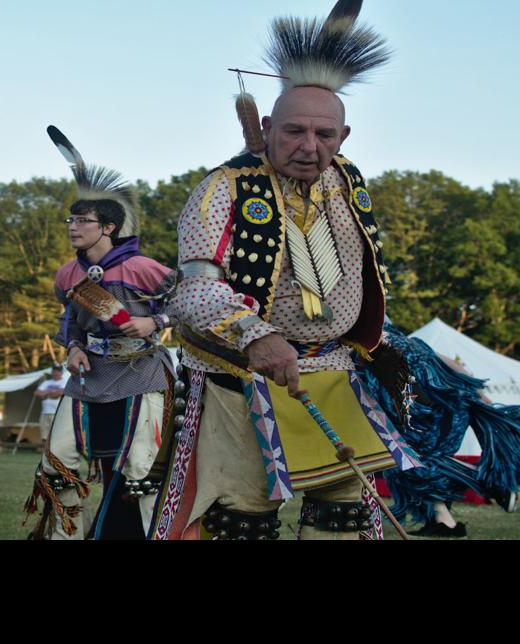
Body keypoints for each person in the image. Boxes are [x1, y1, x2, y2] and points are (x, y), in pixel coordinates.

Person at [156, 0, 422, 541]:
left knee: (344, 512)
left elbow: (359, 270)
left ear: (343, 138)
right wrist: (256, 335)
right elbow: (192, 291)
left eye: (325, 135)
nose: (309, 146)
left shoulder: (347, 179)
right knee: (241, 517)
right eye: (295, 131)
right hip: (241, 378)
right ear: (268, 126)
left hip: (334, 373)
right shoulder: (224, 187)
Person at [24, 127, 177, 540]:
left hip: (140, 373)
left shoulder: (143, 268)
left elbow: (189, 302)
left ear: (107, 227)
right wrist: (72, 346)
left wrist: (155, 322)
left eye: (83, 220)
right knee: (57, 466)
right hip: (89, 377)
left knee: (141, 474)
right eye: (70, 219)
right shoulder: (68, 274)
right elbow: (68, 319)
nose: (73, 227)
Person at [357, 322, 520, 537]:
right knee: (409, 466)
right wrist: (480, 397)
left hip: (431, 416)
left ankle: (490, 484)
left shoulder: (374, 349)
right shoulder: (413, 344)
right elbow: (455, 368)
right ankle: (444, 523)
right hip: (450, 410)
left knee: (409, 462)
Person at [35, 363, 67, 454]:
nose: (55, 373)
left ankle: (56, 452)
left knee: (56, 433)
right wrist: (51, 393)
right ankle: (46, 452)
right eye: (54, 371)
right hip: (45, 412)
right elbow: (37, 393)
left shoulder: (65, 382)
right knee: (44, 434)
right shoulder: (47, 382)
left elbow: (61, 392)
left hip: (57, 412)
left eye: (57, 371)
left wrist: (46, 393)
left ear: (61, 372)